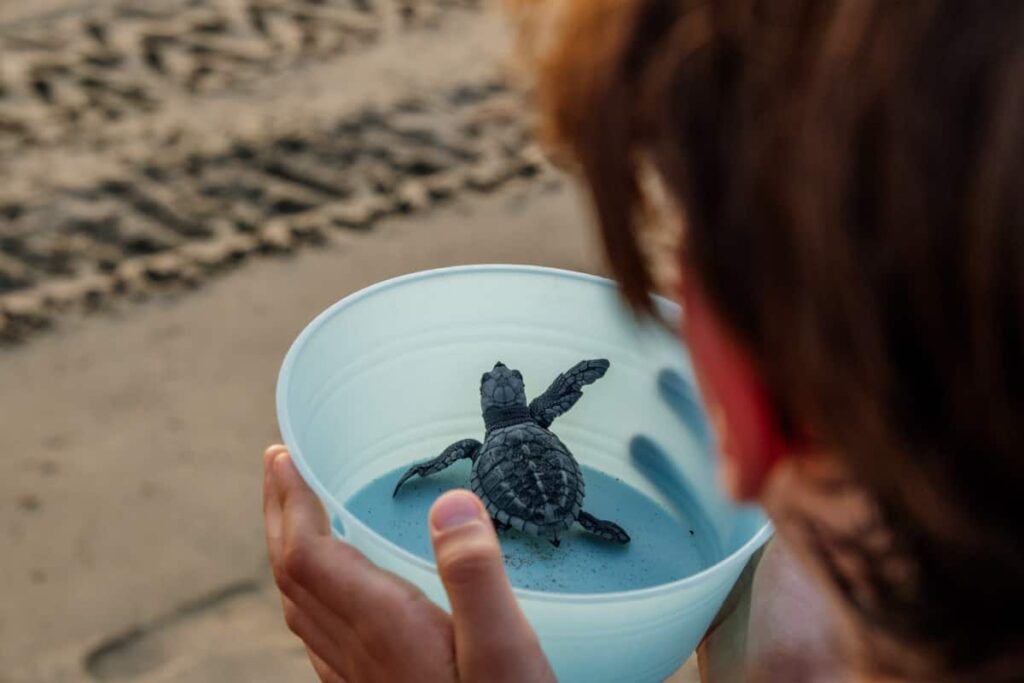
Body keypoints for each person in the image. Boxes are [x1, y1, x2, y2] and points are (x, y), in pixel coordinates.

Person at [261, 0, 1024, 680]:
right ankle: (588, 521)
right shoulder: (783, 581)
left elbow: (457, 452)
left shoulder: (777, 613)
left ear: (743, 411)